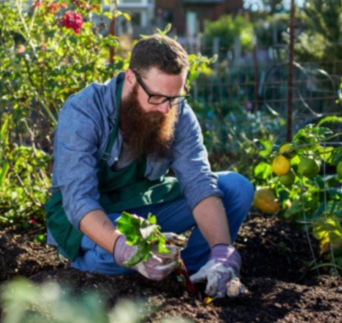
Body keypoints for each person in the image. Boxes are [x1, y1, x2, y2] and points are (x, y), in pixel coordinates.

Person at [45, 34, 254, 299]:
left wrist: (223, 252)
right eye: (156, 97)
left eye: (175, 97)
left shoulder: (176, 112)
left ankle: (198, 273)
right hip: (88, 215)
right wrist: (123, 247)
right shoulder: (84, 111)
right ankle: (85, 267)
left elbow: (199, 182)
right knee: (112, 258)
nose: (167, 109)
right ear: (131, 78)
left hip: (141, 206)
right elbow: (78, 200)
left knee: (236, 188)